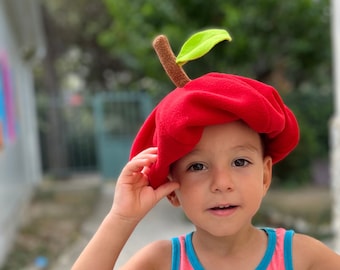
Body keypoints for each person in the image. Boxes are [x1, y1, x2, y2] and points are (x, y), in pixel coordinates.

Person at [72, 35, 340, 269]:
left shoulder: (302, 259)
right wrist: (122, 217)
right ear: (172, 189)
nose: (221, 183)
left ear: (265, 175)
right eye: (197, 166)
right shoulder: (160, 262)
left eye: (240, 161)